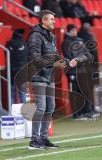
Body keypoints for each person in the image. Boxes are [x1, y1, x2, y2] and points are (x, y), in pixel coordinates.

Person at [27, 10, 78, 149]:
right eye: (51, 19)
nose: (54, 21)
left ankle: (43, 138)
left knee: (50, 107)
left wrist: (68, 62)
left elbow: (55, 56)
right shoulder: (35, 36)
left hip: (49, 75)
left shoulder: (51, 36)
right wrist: (50, 64)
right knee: (41, 107)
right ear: (43, 21)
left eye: (54, 19)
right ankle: (34, 140)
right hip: (38, 75)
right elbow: (35, 57)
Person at [61, 24, 94, 120]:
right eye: (72, 30)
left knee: (84, 91)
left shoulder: (80, 41)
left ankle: (85, 112)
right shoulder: (66, 43)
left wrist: (79, 59)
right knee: (74, 92)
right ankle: (76, 114)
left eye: (75, 30)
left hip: (82, 70)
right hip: (72, 71)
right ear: (68, 31)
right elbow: (69, 58)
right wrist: (80, 59)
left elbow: (88, 55)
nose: (74, 32)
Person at [6, 28, 28, 104]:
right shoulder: (25, 44)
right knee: (23, 93)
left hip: (11, 71)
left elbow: (6, 55)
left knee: (11, 93)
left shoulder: (8, 44)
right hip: (22, 71)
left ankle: (11, 112)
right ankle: (25, 113)